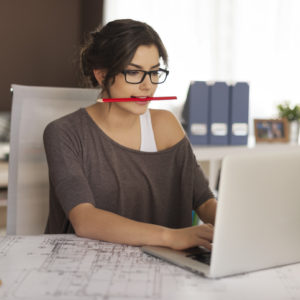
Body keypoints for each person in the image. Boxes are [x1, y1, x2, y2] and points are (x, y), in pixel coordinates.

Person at [43, 19, 217, 251]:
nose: (148, 86)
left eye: (154, 73)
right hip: (85, 269)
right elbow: (85, 219)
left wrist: (235, 226)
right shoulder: (64, 133)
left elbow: (204, 200)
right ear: (102, 75)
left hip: (164, 270)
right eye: (134, 73)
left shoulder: (166, 125)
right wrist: (171, 237)